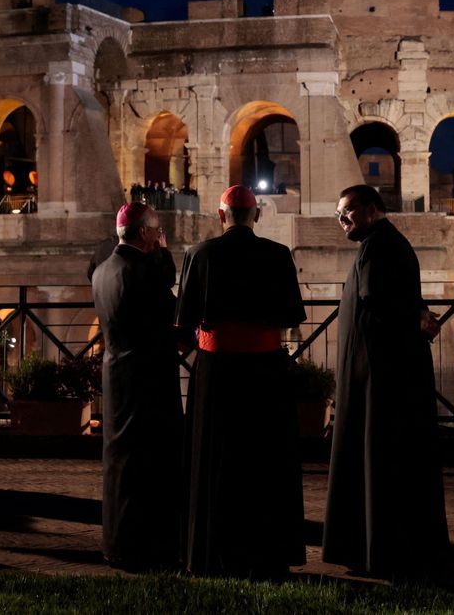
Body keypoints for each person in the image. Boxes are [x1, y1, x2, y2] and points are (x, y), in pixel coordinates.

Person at [174, 184, 306, 578]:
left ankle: (211, 553)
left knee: (213, 458)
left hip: (217, 370)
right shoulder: (279, 255)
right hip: (265, 371)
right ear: (257, 216)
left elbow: (184, 321)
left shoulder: (198, 254)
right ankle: (267, 552)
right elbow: (291, 317)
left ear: (221, 216)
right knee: (265, 460)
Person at [322, 184, 448, 578]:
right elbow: (399, 299)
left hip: (378, 379)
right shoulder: (383, 244)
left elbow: (381, 301)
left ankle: (379, 548)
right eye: (339, 213)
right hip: (379, 373)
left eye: (348, 211)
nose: (342, 219)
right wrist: (418, 315)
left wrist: (415, 317)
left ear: (372, 209)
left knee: (379, 460)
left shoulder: (380, 246)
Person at [92, 202, 184, 571]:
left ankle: (116, 542)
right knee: (151, 462)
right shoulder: (142, 271)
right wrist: (163, 257)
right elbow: (170, 314)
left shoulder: (103, 270)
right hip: (148, 376)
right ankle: (147, 547)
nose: (159, 238)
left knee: (119, 462)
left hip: (116, 374)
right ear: (144, 232)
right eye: (157, 231)